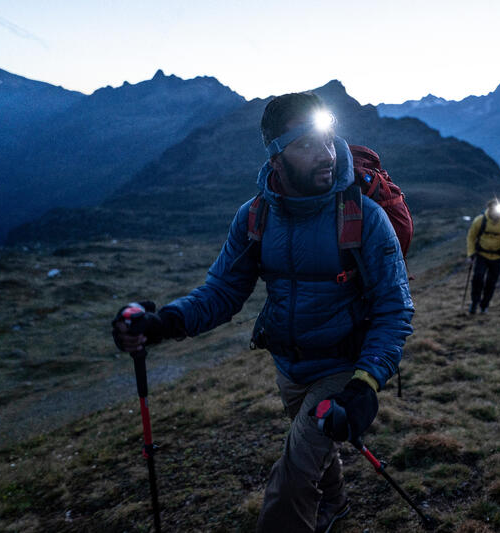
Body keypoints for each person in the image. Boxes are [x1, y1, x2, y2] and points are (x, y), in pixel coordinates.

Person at [111, 92, 414, 533]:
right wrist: (165, 323)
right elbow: (221, 292)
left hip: (342, 365)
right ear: (276, 157)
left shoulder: (363, 217)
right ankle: (336, 503)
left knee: (290, 477)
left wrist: (365, 385)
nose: (325, 154)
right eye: (306, 145)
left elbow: (394, 308)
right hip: (289, 366)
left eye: (327, 141)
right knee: (314, 443)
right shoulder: (254, 217)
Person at [465, 198, 500, 314]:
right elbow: (471, 237)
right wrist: (470, 254)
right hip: (482, 255)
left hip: (498, 257)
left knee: (491, 282)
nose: (495, 213)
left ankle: (484, 305)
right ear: (488, 209)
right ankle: (475, 303)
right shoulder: (480, 221)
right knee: (477, 279)